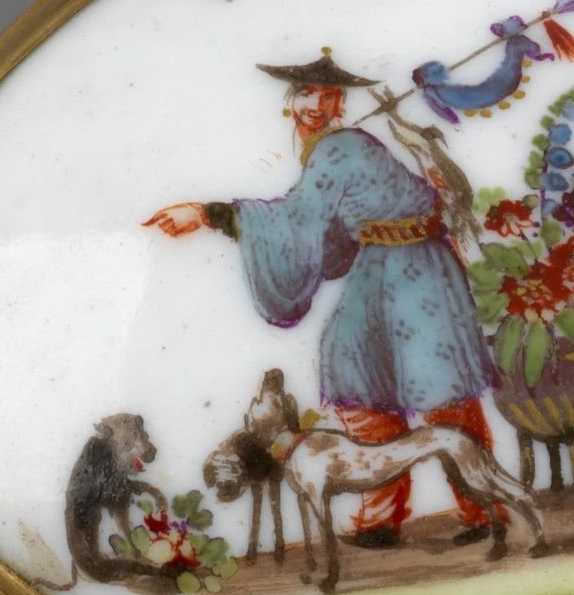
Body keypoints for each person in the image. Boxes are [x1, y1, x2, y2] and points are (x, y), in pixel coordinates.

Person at [144, 49, 498, 548]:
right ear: (289, 102)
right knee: (355, 371)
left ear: (339, 105)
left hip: (418, 269)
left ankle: (484, 506)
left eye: (328, 96)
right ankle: (381, 513)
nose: (316, 104)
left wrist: (209, 214)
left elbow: (296, 221)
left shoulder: (340, 147)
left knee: (439, 384)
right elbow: (325, 231)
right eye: (307, 94)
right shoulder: (329, 150)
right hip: (380, 265)